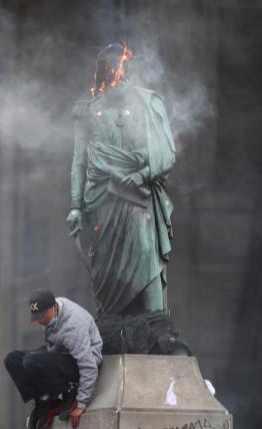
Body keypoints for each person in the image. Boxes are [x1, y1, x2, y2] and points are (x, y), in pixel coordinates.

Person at [66, 43, 177, 317]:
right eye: (110, 68)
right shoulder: (88, 111)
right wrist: (75, 205)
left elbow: (166, 152)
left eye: (120, 66)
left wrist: (142, 173)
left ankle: (156, 328)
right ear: (102, 73)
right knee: (107, 271)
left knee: (146, 254)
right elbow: (79, 160)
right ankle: (114, 327)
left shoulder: (148, 103)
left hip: (139, 197)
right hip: (103, 200)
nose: (116, 73)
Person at [4, 289, 103, 429]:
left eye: (43, 316)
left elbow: (89, 366)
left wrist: (81, 402)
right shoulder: (52, 313)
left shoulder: (73, 325)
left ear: (53, 307)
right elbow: (52, 348)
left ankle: (68, 391)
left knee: (32, 361)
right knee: (13, 360)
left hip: (80, 362)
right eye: (37, 317)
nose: (41, 321)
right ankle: (45, 400)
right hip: (61, 353)